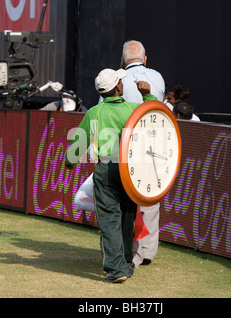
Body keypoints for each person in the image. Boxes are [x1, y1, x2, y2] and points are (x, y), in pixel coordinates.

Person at [65, 68, 157, 283]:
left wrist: (69, 161)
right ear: (118, 87)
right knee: (127, 217)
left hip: (106, 170)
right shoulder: (133, 109)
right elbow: (157, 115)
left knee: (109, 220)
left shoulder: (94, 112)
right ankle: (124, 263)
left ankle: (117, 269)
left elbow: (78, 144)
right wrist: (147, 94)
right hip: (132, 172)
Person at [119, 40, 165, 269]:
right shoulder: (158, 78)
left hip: (125, 147)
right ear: (145, 59)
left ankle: (130, 251)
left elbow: (101, 113)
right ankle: (147, 252)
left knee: (126, 201)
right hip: (154, 144)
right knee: (150, 198)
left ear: (122, 61)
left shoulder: (117, 79)